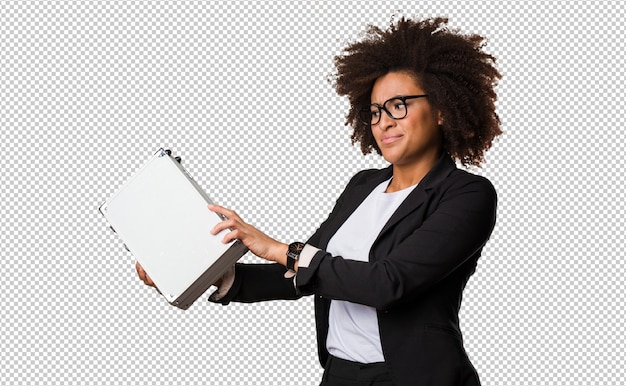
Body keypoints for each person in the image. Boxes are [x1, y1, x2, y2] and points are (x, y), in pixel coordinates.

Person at [137, 16, 502, 386]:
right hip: (339, 374)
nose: (383, 123)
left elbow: (389, 283)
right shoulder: (363, 186)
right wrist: (202, 275)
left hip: (413, 378)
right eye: (374, 111)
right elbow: (306, 276)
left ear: (441, 109)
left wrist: (281, 249)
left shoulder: (467, 194)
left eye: (398, 105)